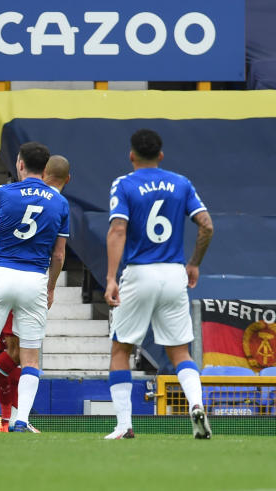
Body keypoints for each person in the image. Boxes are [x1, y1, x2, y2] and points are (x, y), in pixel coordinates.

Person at [105, 129, 213, 440]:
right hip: (173, 273)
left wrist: (112, 278)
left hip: (140, 273)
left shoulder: (124, 184)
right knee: (181, 352)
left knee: (120, 349)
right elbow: (206, 225)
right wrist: (194, 264)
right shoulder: (181, 183)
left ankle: (124, 425)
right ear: (161, 155)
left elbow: (118, 230)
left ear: (131, 155)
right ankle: (195, 405)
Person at [0, 155, 72, 431]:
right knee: (30, 357)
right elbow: (58, 254)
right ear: (44, 170)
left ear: (19, 164)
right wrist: (51, 287)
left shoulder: (5, 192)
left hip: (0, 275)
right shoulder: (60, 202)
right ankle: (21, 420)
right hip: (33, 279)